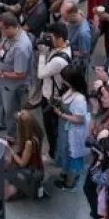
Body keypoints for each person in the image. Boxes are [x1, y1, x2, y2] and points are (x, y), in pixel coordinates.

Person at [0, 12, 33, 138]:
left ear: (11, 27)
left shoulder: (21, 47)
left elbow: (20, 74)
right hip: (1, 80)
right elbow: (1, 45)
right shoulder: (8, 35)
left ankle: (12, 134)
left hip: (12, 85)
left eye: (1, 28)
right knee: (0, 103)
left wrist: (0, 73)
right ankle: (0, 122)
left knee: (11, 110)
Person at [36, 22, 72, 158]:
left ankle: (54, 153)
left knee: (51, 128)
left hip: (52, 98)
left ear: (60, 39)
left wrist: (42, 54)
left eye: (51, 37)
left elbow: (41, 74)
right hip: (54, 93)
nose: (48, 40)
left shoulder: (59, 60)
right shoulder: (67, 46)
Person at [53, 64, 89, 191]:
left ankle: (70, 183)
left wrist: (61, 114)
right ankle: (66, 172)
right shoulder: (70, 90)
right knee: (64, 150)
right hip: (65, 129)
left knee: (71, 153)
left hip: (72, 132)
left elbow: (79, 119)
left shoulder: (79, 99)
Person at [3, 110, 45, 201]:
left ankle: (21, 190)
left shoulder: (29, 143)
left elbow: (22, 163)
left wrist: (10, 149)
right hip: (36, 164)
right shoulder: (37, 133)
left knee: (5, 195)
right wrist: (14, 141)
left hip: (28, 170)